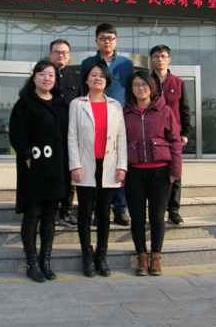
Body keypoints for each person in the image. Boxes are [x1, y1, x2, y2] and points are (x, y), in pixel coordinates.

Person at [9, 60, 69, 283]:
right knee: (33, 213)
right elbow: (16, 132)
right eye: (42, 74)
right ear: (34, 77)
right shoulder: (25, 102)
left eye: (51, 75)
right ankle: (32, 263)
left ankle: (46, 261)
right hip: (33, 167)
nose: (47, 78)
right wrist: (26, 155)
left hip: (55, 168)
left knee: (50, 216)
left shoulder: (61, 103)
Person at [68, 63, 127, 277]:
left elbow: (121, 138)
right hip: (85, 164)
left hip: (109, 164)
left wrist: (122, 166)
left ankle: (101, 254)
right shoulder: (77, 104)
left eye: (102, 76)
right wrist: (75, 165)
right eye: (93, 75)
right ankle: (87, 254)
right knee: (85, 212)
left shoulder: (115, 105)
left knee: (104, 212)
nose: (97, 78)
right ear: (86, 79)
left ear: (107, 81)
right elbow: (72, 137)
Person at [123, 70, 181, 276]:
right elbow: (119, 143)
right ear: (131, 89)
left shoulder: (164, 110)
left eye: (145, 84)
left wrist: (175, 170)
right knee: (137, 217)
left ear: (152, 87)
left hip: (160, 171)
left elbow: (175, 141)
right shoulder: (124, 112)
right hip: (134, 173)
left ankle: (156, 256)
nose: (141, 88)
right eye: (136, 84)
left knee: (157, 216)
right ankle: (141, 255)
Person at [80, 23, 134, 226]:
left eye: (110, 38)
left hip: (118, 117)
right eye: (103, 38)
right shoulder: (88, 63)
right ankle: (97, 209)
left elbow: (130, 90)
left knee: (117, 163)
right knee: (95, 165)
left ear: (116, 41)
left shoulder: (126, 64)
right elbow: (83, 89)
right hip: (94, 117)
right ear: (96, 41)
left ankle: (120, 209)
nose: (107, 42)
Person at [149, 44, 193, 225]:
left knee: (175, 173)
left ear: (169, 59)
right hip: (153, 135)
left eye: (163, 56)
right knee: (154, 174)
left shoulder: (178, 82)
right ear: (151, 60)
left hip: (174, 136)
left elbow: (185, 110)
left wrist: (186, 132)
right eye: (156, 56)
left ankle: (173, 211)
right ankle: (155, 211)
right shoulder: (146, 81)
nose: (159, 59)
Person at [48, 38, 83, 228]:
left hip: (70, 134)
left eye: (64, 52)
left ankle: (66, 211)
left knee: (69, 174)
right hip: (48, 134)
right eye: (57, 52)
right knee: (50, 172)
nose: (60, 55)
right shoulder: (44, 75)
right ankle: (49, 210)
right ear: (50, 54)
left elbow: (83, 106)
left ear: (69, 56)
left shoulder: (76, 79)